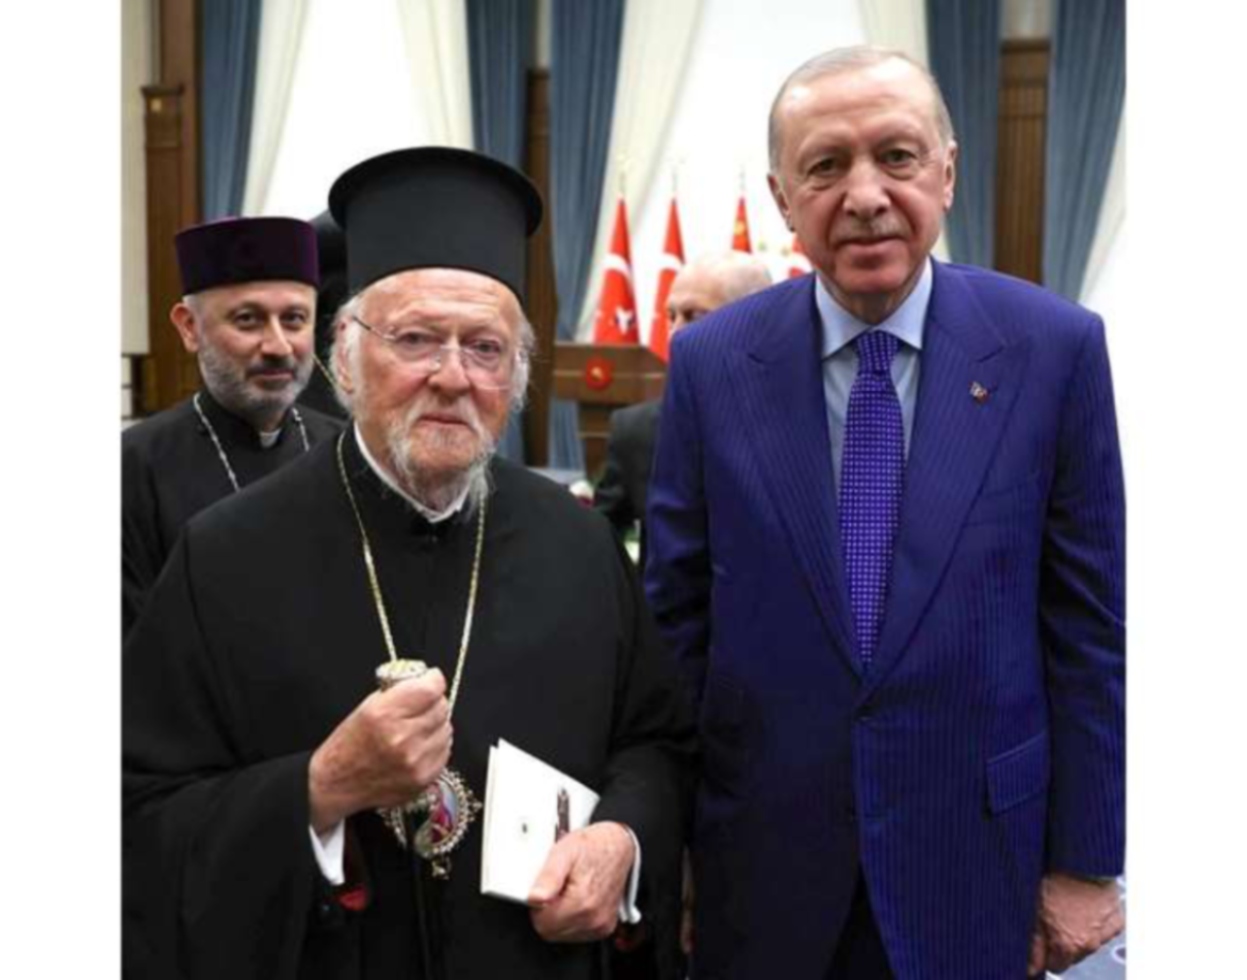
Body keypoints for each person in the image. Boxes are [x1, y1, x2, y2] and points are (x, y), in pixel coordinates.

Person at [123, 147, 694, 980]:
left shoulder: (577, 545)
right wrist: (317, 788)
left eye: (485, 348)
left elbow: (654, 743)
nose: (452, 377)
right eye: (416, 339)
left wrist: (623, 839)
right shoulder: (223, 555)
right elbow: (139, 814)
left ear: (517, 375)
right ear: (345, 358)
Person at [644, 48, 1125, 980]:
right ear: (784, 199)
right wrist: (674, 847)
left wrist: (1084, 863)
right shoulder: (711, 365)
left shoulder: (1052, 348)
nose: (864, 196)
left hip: (977, 863)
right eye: (825, 166)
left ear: (946, 171)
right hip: (761, 868)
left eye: (896, 156)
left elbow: (1087, 627)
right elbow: (677, 625)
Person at [122, 216, 342, 635]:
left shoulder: (345, 451)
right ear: (190, 327)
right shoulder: (130, 468)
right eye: (247, 319)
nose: (278, 346)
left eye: (294, 319)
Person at [594, 252, 771, 562]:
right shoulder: (636, 430)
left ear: (752, 323)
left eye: (694, 317)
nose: (675, 332)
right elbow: (599, 543)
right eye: (670, 316)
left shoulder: (801, 419)